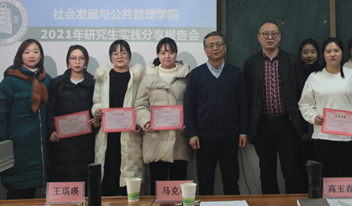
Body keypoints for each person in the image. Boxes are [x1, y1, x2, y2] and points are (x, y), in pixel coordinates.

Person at [243, 20, 307, 194]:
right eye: (265, 34)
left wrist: (302, 127)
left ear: (279, 37)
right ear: (259, 37)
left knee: (291, 172)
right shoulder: (250, 63)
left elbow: (302, 96)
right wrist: (249, 128)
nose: (269, 37)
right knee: (267, 174)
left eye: (274, 34)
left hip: (287, 124)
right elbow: (246, 98)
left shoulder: (292, 62)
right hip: (262, 126)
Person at [184, 32, 248, 195]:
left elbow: (242, 105)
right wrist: (192, 133)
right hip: (203, 137)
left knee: (231, 182)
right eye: (211, 45)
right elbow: (189, 107)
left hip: (230, 136)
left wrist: (243, 132)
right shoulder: (196, 74)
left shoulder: (235, 73)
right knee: (205, 183)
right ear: (205, 50)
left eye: (219, 44)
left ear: (225, 48)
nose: (215, 48)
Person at [298, 37, 352, 178]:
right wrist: (313, 117)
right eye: (328, 51)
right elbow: (305, 103)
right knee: (327, 177)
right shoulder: (314, 77)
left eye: (336, 51)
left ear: (342, 53)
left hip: (349, 138)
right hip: (323, 136)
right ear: (323, 54)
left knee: (349, 176)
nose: (333, 54)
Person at [0, 39, 53, 199]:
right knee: (18, 195)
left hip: (40, 151)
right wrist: (5, 145)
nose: (31, 55)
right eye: (27, 52)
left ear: (41, 56)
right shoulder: (9, 81)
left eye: (35, 51)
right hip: (18, 150)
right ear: (20, 56)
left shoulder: (47, 80)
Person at [135, 37, 193, 195]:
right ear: (157, 55)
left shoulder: (187, 77)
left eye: (171, 52)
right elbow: (140, 105)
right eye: (163, 52)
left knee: (178, 187)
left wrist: (187, 123)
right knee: (157, 186)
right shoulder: (148, 78)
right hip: (155, 139)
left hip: (179, 138)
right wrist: (146, 121)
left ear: (176, 54)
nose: (167, 56)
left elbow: (193, 105)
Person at [92, 39, 145, 196]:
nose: (119, 56)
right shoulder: (103, 77)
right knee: (108, 168)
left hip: (129, 133)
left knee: (127, 174)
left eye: (123, 53)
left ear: (129, 56)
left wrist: (139, 123)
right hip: (108, 133)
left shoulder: (136, 77)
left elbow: (142, 103)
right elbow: (96, 102)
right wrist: (97, 111)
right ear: (110, 56)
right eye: (115, 53)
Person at [47, 45, 99, 183]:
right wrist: (52, 130)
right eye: (73, 58)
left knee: (85, 181)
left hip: (86, 142)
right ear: (68, 61)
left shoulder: (93, 84)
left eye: (81, 58)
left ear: (86, 61)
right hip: (61, 143)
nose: (77, 62)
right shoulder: (57, 84)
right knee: (61, 180)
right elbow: (50, 111)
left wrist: (96, 121)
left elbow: (98, 108)